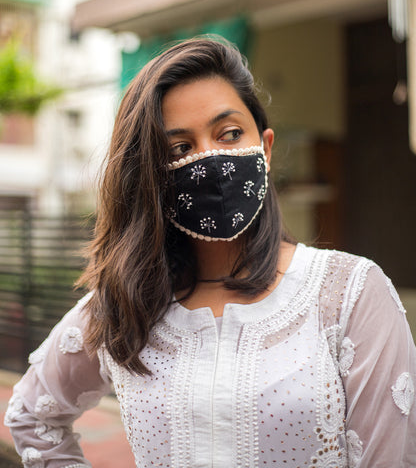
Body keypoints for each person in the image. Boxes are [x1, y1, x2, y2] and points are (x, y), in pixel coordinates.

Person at [4, 37, 416, 468]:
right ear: (150, 176)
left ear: (266, 148)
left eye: (230, 134)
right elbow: (32, 417)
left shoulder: (348, 294)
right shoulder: (125, 304)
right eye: (180, 148)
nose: (211, 159)